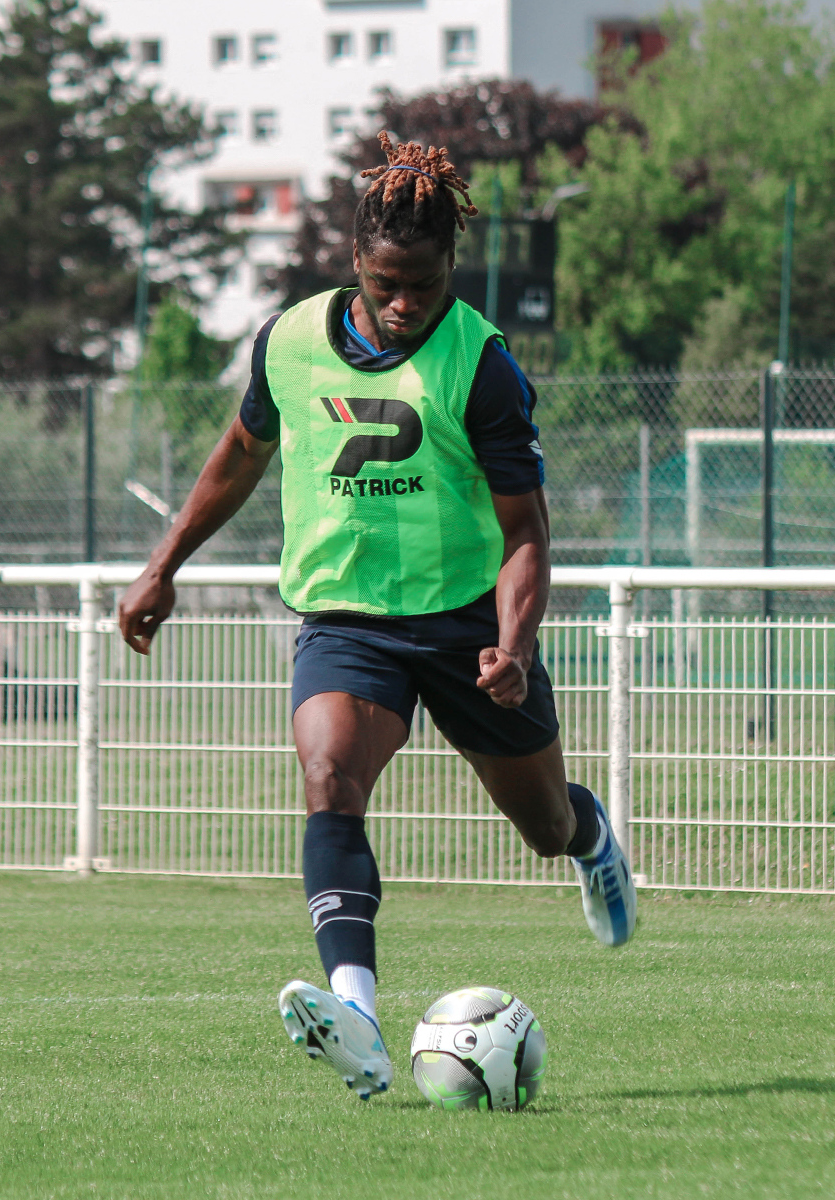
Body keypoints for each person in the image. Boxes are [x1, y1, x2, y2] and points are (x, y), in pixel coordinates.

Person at [115, 133, 636, 1101]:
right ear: (356, 259)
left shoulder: (479, 366)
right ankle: (353, 1013)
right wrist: (162, 568)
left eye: (425, 285)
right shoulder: (289, 341)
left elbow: (526, 531)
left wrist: (514, 647)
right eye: (389, 282)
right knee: (329, 776)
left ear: (450, 270)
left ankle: (592, 839)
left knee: (541, 822)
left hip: (468, 626)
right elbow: (237, 457)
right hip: (346, 621)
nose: (405, 304)